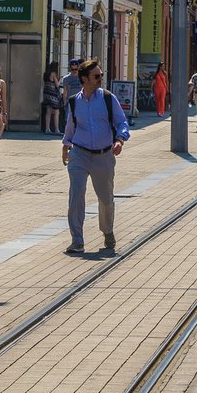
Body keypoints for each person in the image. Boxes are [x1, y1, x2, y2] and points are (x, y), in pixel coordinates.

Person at [61, 59, 130, 254]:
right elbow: (70, 126)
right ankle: (77, 240)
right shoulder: (74, 101)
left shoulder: (108, 98)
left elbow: (122, 122)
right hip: (79, 154)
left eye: (101, 75)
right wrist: (66, 145)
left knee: (106, 198)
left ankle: (107, 231)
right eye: (96, 76)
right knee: (76, 195)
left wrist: (120, 139)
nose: (100, 79)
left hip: (103, 155)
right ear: (84, 79)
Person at [60, 59, 82, 132]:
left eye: (76, 69)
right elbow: (65, 90)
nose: (75, 71)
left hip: (80, 101)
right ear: (70, 68)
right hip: (69, 101)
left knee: (79, 118)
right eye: (73, 69)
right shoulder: (66, 79)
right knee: (68, 118)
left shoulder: (81, 77)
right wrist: (64, 102)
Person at [41, 63, 62, 135]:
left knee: (48, 112)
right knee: (57, 112)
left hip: (47, 94)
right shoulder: (54, 74)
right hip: (53, 95)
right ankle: (56, 129)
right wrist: (60, 79)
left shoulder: (46, 74)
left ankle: (47, 129)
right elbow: (57, 85)